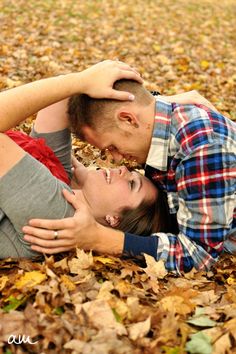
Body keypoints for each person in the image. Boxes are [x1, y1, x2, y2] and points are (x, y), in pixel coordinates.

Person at [23, 78, 236, 274]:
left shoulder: (201, 149)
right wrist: (89, 77)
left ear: (128, 119)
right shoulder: (161, 124)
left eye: (113, 146)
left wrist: (99, 238)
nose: (115, 159)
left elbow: (198, 255)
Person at [0, 60, 165, 259]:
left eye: (131, 184)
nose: (123, 170)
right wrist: (150, 107)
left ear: (114, 220)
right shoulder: (62, 181)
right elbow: (61, 101)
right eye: (132, 173)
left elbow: (71, 85)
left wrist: (81, 80)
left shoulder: (59, 215)